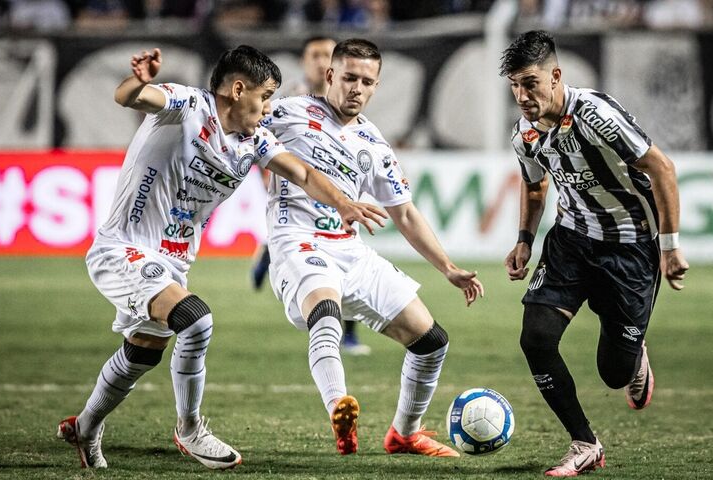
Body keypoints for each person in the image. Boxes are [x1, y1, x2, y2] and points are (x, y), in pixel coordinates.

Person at [55, 45, 385, 470]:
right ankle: (190, 429)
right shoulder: (188, 106)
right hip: (122, 250)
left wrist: (342, 203)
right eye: (265, 97)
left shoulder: (254, 141)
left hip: (172, 264)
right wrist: (139, 80)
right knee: (197, 320)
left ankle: (84, 427)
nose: (269, 109)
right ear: (237, 88)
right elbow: (132, 97)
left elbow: (302, 172)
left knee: (143, 351)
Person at [261, 38, 484, 457]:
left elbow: (405, 214)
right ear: (330, 76)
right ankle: (339, 410)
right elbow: (237, 123)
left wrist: (448, 268)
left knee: (431, 340)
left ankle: (404, 433)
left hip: (351, 252)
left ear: (377, 85)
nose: (356, 88)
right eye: (348, 78)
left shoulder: (373, 143)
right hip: (298, 242)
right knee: (324, 311)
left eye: (366, 81)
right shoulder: (289, 112)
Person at [500, 30, 689, 477]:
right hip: (571, 241)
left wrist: (671, 247)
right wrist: (525, 238)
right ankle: (585, 443)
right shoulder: (525, 133)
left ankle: (634, 352)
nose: (522, 95)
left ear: (556, 76)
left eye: (529, 83)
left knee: (614, 374)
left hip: (629, 248)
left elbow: (660, 167)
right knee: (536, 339)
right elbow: (534, 183)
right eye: (514, 86)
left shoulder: (595, 113)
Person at [252, 35, 373, 356]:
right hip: (300, 196)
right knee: (320, 269)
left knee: (348, 262)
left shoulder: (350, 101)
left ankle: (347, 335)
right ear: (305, 62)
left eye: (327, 55)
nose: (321, 61)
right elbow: (261, 137)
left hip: (340, 198)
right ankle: (272, 256)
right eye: (315, 55)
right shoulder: (291, 98)